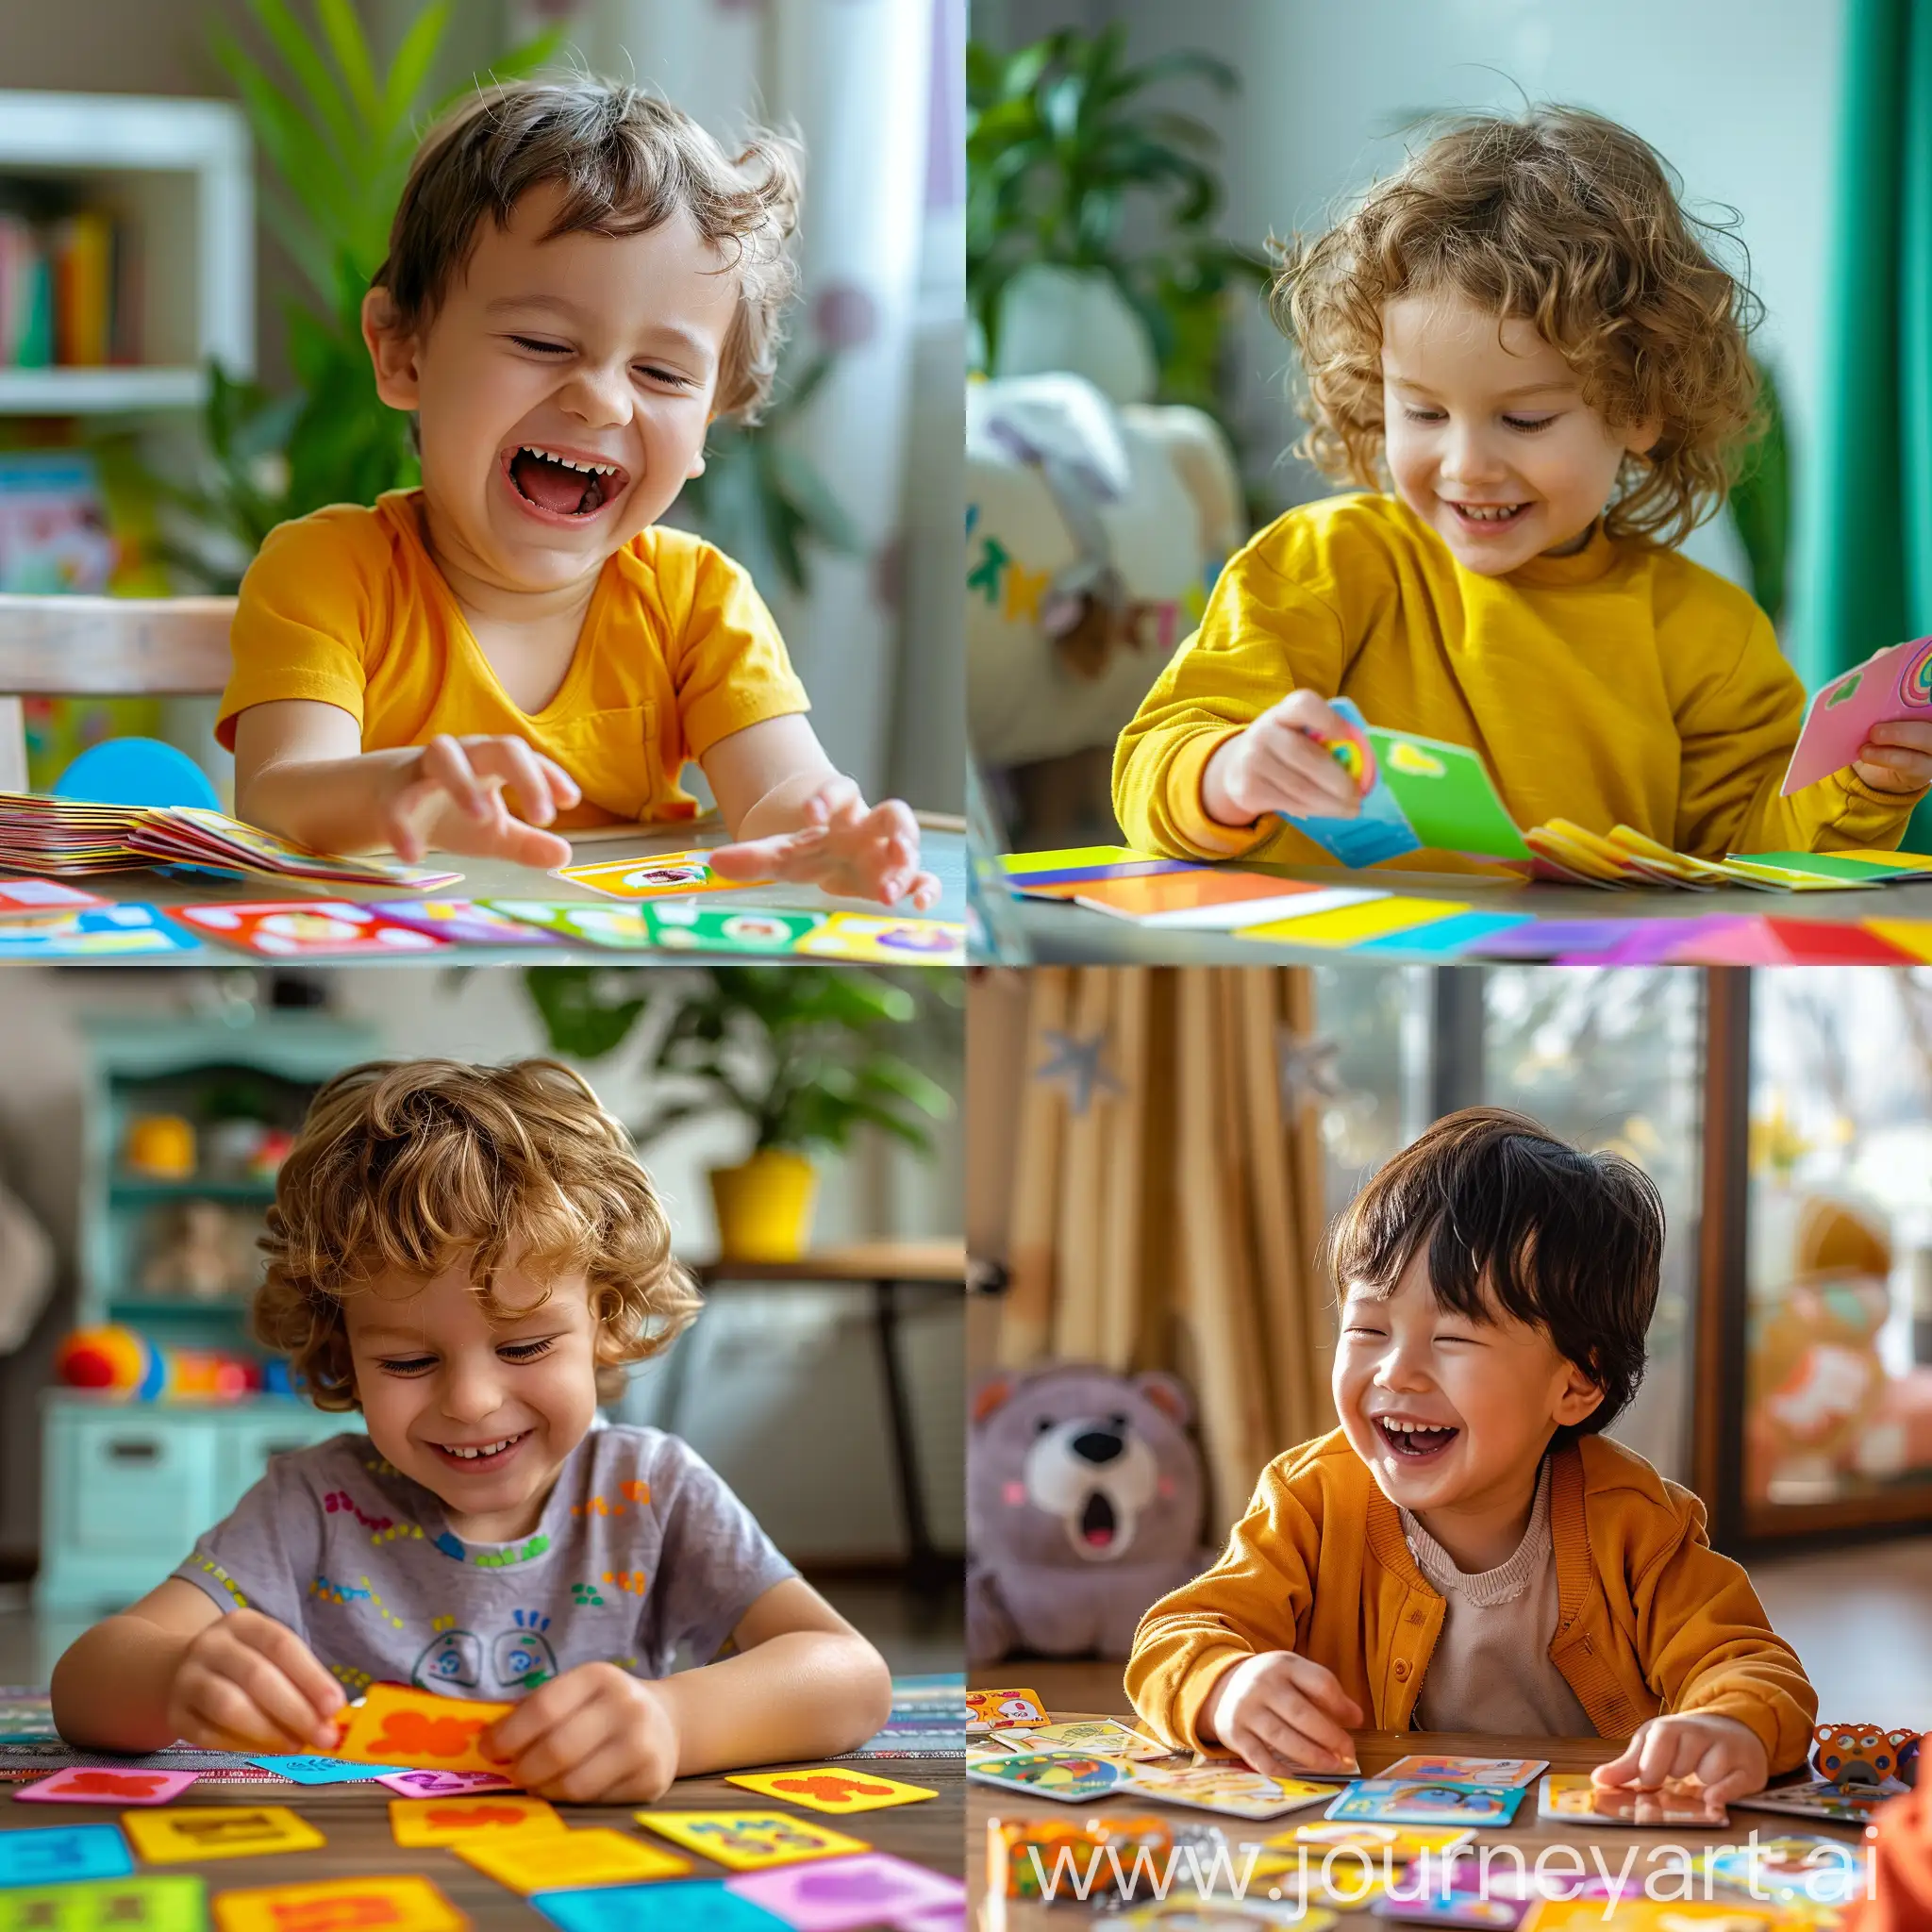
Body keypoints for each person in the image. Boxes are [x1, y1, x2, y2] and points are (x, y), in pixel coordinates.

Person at [50, 1059, 892, 1804]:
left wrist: (674, 1720)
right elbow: (83, 1683)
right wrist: (175, 1677)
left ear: (604, 1316)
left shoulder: (651, 1488)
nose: (472, 1402)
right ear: (342, 1348)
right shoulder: (312, 1502)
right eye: (409, 1363)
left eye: (524, 1345)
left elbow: (849, 1677)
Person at [1113, 107, 1931, 869]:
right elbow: (1156, 756)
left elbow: (1753, 862)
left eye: (1527, 421)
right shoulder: (1321, 567)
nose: (1467, 463)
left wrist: (1862, 785)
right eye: (1423, 411)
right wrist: (1226, 772)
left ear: (1638, 409)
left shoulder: (1708, 639)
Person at [223, 78, 936, 910]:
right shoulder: (326, 571)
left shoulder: (698, 604)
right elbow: (279, 797)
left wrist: (821, 840)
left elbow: (779, 798)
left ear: (711, 420)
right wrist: (401, 795)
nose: (601, 399)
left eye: (663, 373)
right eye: (542, 341)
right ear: (404, 353)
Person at [1126, 1108, 1817, 1803]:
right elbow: (1177, 1635)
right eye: (1368, 1327)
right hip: (1380, 1844)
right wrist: (1224, 1686)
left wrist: (1731, 1725)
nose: (1398, 1372)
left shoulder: (1637, 1523)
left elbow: (1752, 1666)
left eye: (1453, 1339)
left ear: (1577, 1382)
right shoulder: (1309, 1499)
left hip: (1583, 1858)